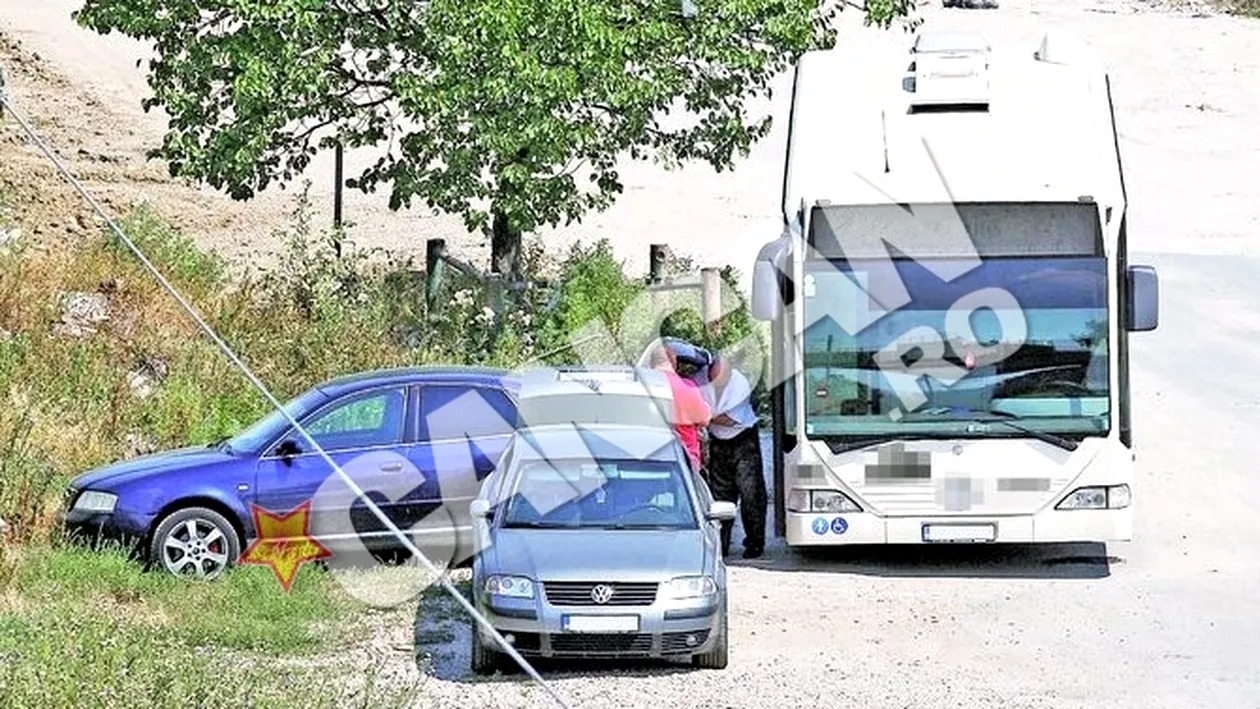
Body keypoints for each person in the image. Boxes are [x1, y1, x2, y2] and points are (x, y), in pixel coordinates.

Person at [701, 354, 767, 559]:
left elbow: (728, 419)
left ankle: (755, 542)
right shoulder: (703, 378)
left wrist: (703, 414)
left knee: (751, 494)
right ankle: (722, 545)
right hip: (718, 441)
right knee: (720, 495)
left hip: (743, 439)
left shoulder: (739, 384)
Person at [649, 344, 711, 474]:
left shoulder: (640, 385)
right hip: (684, 461)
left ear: (652, 363)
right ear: (674, 361)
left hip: (649, 459)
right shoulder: (688, 387)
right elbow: (704, 420)